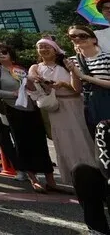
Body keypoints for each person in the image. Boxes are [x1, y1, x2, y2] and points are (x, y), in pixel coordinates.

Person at [0, 43, 56, 193]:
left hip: (31, 107)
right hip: (13, 109)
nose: (1, 54)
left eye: (4, 51)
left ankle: (50, 179)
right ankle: (33, 179)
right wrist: (12, 94)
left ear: (11, 53)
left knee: (40, 142)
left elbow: (32, 88)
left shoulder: (21, 69)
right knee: (21, 143)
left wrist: (33, 83)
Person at [28, 37, 93, 185]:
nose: (43, 49)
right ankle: (73, 177)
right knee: (63, 142)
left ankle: (92, 174)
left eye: (47, 46)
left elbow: (78, 88)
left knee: (82, 138)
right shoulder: (36, 67)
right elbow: (31, 80)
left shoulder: (66, 64)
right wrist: (40, 82)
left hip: (74, 104)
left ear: (55, 49)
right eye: (40, 47)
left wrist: (64, 84)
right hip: (55, 108)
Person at [65, 25, 110, 136]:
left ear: (94, 39)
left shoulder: (107, 58)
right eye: (72, 36)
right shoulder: (74, 60)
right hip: (90, 105)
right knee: (100, 140)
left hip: (107, 101)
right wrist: (73, 72)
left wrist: (85, 77)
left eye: (83, 36)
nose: (77, 39)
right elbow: (77, 88)